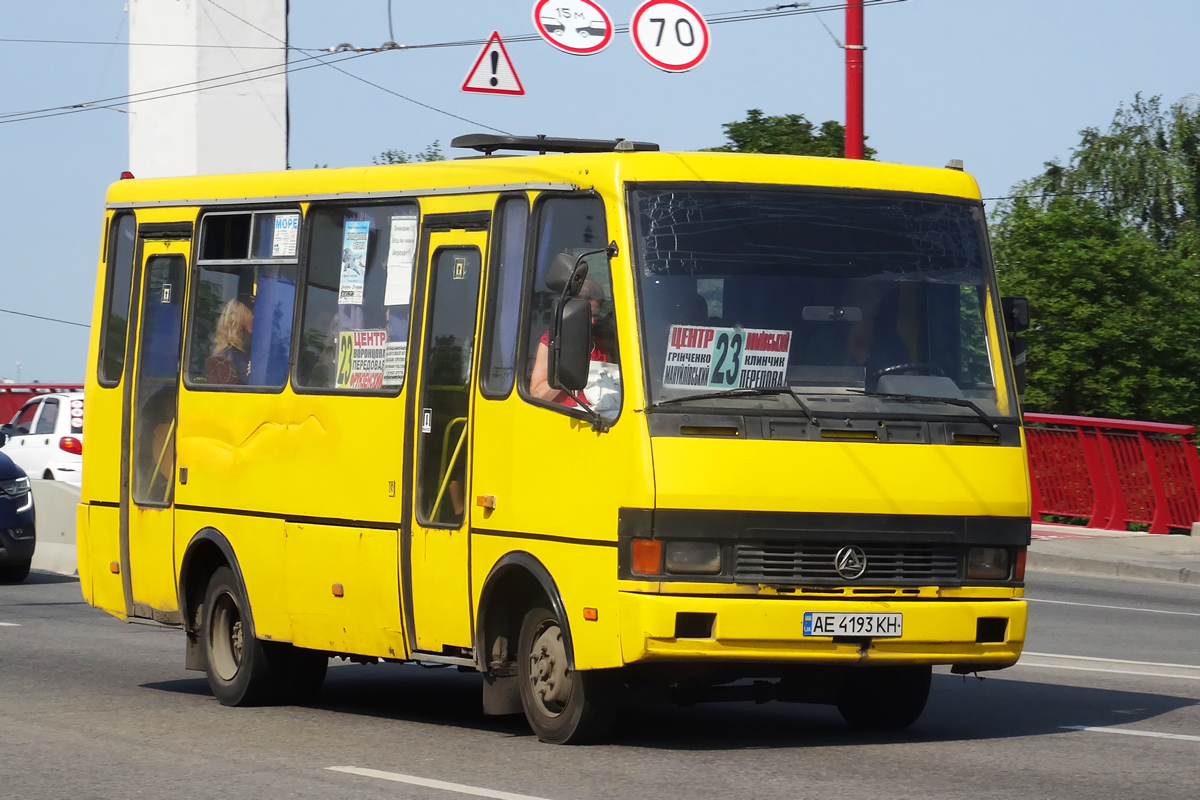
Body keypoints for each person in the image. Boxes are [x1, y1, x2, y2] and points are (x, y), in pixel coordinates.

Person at [529, 276, 613, 409]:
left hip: (603, 413)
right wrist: (568, 370)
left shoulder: (601, 342)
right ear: (572, 312)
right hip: (566, 415)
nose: (592, 321)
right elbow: (538, 395)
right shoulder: (552, 340)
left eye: (596, 316)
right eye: (587, 315)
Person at [205, 296, 254, 385]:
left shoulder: (248, 352)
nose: (256, 318)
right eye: (253, 313)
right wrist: (252, 375)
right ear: (240, 318)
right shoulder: (224, 358)